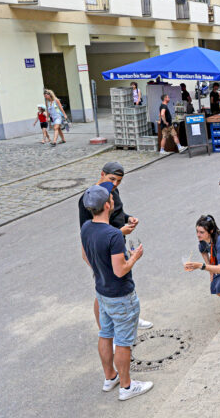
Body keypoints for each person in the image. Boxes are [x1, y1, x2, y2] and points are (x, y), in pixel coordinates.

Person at [79, 183, 153, 401]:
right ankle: (127, 386)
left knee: (105, 334)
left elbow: (86, 256)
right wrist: (135, 257)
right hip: (120, 295)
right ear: (108, 205)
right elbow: (120, 270)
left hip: (102, 291)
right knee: (123, 341)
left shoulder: (86, 228)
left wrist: (101, 267)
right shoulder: (112, 235)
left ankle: (109, 377)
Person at [79, 162, 153, 331]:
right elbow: (89, 231)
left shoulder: (113, 191)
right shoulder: (90, 198)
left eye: (119, 181)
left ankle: (131, 317)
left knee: (125, 285)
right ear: (102, 173)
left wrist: (128, 218)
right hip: (103, 253)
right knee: (104, 293)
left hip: (117, 246)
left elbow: (117, 213)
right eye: (112, 179)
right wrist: (120, 232)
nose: (115, 184)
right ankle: (104, 330)